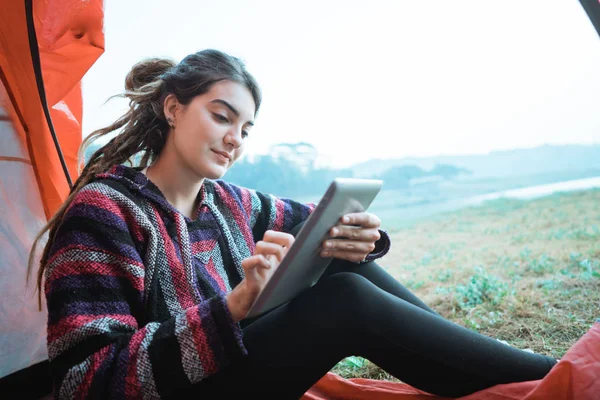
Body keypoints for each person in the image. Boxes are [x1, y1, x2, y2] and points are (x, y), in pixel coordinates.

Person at [28, 49, 557, 400]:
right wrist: (232, 309)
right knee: (343, 301)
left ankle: (511, 373)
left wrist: (363, 236)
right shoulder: (105, 212)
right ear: (172, 108)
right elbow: (82, 381)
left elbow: (321, 227)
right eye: (220, 115)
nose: (235, 137)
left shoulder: (229, 202)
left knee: (336, 264)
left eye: (246, 127)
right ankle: (544, 377)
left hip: (228, 375)